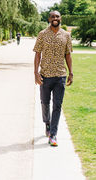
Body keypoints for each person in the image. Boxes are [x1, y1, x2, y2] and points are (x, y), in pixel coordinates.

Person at [33, 11, 73, 147]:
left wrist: (71, 72)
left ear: (60, 18)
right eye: (53, 16)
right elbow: (37, 54)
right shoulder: (42, 34)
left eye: (57, 16)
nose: (55, 18)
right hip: (45, 75)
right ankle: (47, 124)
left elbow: (68, 55)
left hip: (60, 75)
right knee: (45, 103)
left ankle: (53, 134)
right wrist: (36, 73)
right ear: (49, 19)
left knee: (57, 105)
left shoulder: (66, 35)